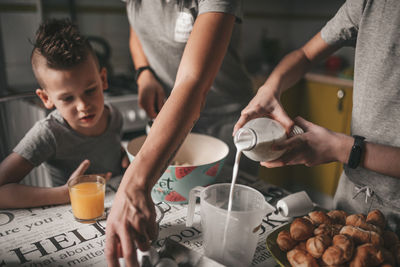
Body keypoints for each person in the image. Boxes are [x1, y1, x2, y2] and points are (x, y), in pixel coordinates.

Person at [105, 0, 254, 265]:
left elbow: (193, 82)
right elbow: (136, 26)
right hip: (171, 116)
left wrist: (133, 185)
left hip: (227, 121)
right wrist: (144, 73)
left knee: (227, 238)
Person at [234, 0, 400, 235]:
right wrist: (270, 88)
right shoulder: (369, 4)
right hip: (354, 201)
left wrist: (343, 149)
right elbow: (305, 55)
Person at [0, 18, 128, 209]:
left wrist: (123, 157)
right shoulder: (48, 134)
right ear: (46, 98)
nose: (83, 106)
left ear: (103, 79)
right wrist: (65, 193)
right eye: (68, 99)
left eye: (90, 90)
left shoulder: (113, 115)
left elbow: (109, 148)